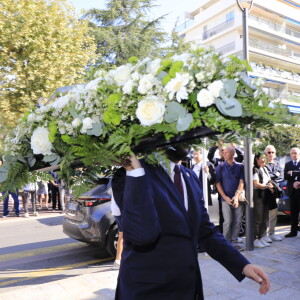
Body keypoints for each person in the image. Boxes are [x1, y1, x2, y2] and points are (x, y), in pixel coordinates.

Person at [112, 144, 270, 300]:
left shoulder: (190, 177)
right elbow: (142, 234)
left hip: (188, 288)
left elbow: (206, 232)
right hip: (147, 291)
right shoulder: (131, 173)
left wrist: (242, 265)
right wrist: (135, 169)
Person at [208, 141, 244, 232]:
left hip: (236, 194)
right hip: (222, 194)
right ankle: (223, 236)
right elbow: (210, 157)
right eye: (221, 151)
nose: (223, 153)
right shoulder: (218, 162)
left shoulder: (238, 165)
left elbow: (241, 157)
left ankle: (234, 239)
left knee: (236, 220)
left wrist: (235, 148)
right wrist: (215, 146)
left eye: (225, 151)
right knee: (225, 218)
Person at [215, 146, 245, 251]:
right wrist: (225, 197)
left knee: (237, 222)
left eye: (226, 152)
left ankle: (234, 243)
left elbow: (242, 182)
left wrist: (236, 196)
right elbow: (218, 184)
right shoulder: (220, 167)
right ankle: (226, 245)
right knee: (227, 221)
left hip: (237, 199)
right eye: (224, 153)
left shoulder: (240, 167)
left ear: (233, 154)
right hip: (225, 199)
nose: (224, 154)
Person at [253, 153, 275, 248]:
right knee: (258, 218)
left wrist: (270, 184)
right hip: (258, 196)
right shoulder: (255, 169)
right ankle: (254, 239)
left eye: (264, 158)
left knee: (265, 217)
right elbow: (256, 184)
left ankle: (261, 236)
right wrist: (266, 186)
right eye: (262, 158)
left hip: (266, 195)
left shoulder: (265, 168)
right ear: (257, 159)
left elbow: (269, 179)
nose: (263, 160)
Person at [264, 145, 283, 242]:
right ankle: (263, 235)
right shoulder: (263, 164)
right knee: (264, 215)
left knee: (273, 214)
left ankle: (272, 233)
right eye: (269, 152)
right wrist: (276, 174)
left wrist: (272, 177)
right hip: (265, 192)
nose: (271, 154)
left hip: (275, 192)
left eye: (272, 152)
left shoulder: (277, 163)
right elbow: (266, 177)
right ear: (265, 154)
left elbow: (282, 176)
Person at [284, 147, 300, 238]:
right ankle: (293, 231)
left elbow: (290, 174)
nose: (294, 155)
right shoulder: (287, 164)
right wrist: (294, 182)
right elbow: (286, 176)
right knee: (294, 212)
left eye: (296, 153)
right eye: (292, 153)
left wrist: (293, 173)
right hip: (293, 191)